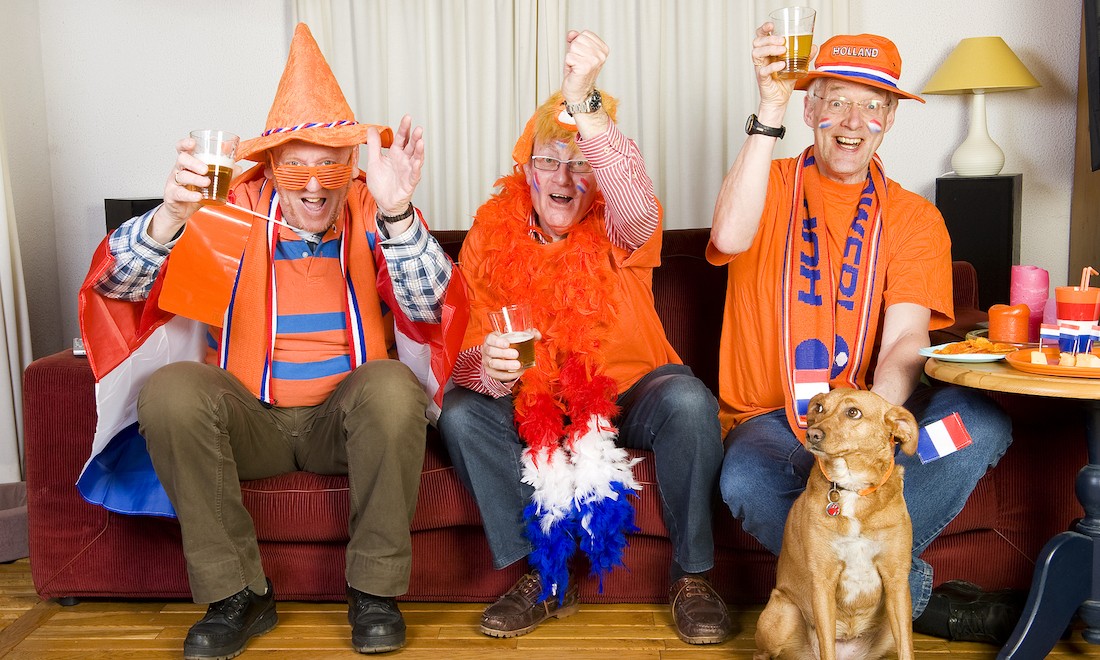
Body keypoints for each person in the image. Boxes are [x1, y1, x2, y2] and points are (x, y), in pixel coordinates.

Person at [77, 24, 466, 658]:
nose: (315, 184)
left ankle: (373, 592)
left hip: (342, 425)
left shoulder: (375, 205)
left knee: (395, 387)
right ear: (272, 165)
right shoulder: (227, 207)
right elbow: (120, 287)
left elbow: (432, 307)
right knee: (171, 391)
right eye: (298, 165)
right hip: (247, 419)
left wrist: (398, 213)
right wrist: (173, 213)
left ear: (349, 166)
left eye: (330, 164)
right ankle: (238, 596)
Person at [709, 27, 1024, 645]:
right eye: (837, 101)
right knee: (744, 480)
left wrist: (869, 427)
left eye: (873, 106)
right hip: (774, 428)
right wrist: (768, 109)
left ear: (889, 120)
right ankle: (911, 594)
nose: (853, 121)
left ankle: (871, 581)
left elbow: (906, 341)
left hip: (869, 434)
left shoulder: (913, 218)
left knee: (977, 427)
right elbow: (727, 239)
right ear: (811, 109)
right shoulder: (767, 185)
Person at [437, 30, 731, 645]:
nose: (564, 177)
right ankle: (543, 579)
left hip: (627, 395)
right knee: (462, 414)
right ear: (526, 172)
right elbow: (457, 359)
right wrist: (485, 368)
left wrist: (586, 103)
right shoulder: (490, 237)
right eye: (550, 160)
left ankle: (693, 578)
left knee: (689, 400)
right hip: (534, 407)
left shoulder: (619, 225)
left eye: (580, 163)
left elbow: (639, 208)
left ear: (596, 175)